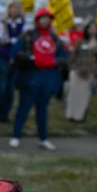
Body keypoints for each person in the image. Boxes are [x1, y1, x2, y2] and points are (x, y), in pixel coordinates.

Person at [10, 9, 67, 151]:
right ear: (37, 20)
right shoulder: (28, 36)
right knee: (24, 107)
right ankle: (16, 136)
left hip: (46, 77)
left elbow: (63, 57)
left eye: (48, 18)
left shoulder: (55, 39)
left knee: (42, 110)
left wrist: (54, 62)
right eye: (43, 18)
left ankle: (43, 138)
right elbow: (16, 53)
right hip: (30, 76)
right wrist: (30, 58)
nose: (45, 21)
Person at [65, 22, 97, 122]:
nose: (92, 30)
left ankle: (79, 116)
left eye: (94, 28)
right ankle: (71, 115)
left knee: (84, 95)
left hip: (90, 72)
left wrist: (96, 72)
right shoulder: (80, 41)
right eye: (90, 28)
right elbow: (73, 55)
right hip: (77, 70)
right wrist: (73, 66)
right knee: (74, 93)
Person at [0, 0, 25, 122]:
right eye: (12, 8)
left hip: (15, 59)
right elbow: (2, 39)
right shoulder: (3, 22)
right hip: (3, 57)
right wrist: (12, 39)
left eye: (16, 8)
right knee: (2, 86)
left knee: (10, 89)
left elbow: (22, 39)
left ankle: (6, 114)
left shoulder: (22, 23)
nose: (14, 11)